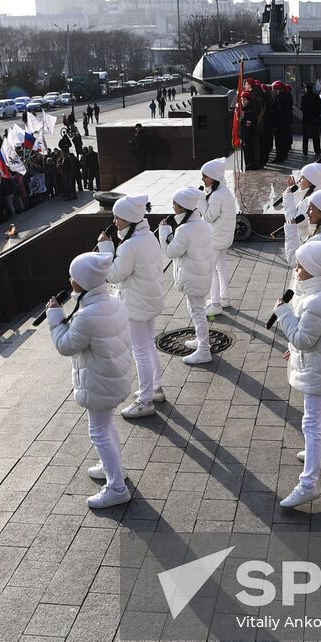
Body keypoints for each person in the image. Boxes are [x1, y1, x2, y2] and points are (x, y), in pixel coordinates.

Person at [45, 252, 134, 509]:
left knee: (98, 431)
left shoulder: (87, 315)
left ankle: (117, 487)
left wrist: (54, 316)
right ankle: (115, 468)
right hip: (113, 377)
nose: (69, 280)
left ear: (82, 282)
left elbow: (65, 345)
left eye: (73, 276)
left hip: (100, 382)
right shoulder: (112, 301)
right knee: (106, 427)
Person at [274, 240, 321, 509]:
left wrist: (282, 313)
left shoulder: (317, 301)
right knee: (320, 412)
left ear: (314, 269)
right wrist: (293, 349)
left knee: (310, 423)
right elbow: (309, 336)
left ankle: (308, 484)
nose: (296, 269)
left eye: (301, 266)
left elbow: (304, 338)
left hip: (318, 368)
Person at [95, 194, 167, 419]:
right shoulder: (147, 237)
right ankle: (155, 388)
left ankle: (145, 401)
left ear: (129, 218)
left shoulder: (130, 246)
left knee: (141, 351)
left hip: (136, 304)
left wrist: (106, 247)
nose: (115, 221)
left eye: (118, 218)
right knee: (148, 345)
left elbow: (114, 275)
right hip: (149, 299)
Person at [159, 186, 214, 365]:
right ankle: (201, 339)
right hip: (201, 274)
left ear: (183, 207)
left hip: (193, 277)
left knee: (197, 311)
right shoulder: (203, 224)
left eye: (175, 204)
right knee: (196, 309)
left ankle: (204, 350)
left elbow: (171, 252)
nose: (173, 207)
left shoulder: (184, 230)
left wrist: (164, 232)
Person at [199, 158, 237, 315]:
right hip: (223, 237)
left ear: (213, 177)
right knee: (221, 267)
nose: (202, 179)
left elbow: (208, 217)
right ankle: (224, 298)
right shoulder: (224, 192)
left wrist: (200, 200)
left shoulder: (216, 195)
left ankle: (215, 304)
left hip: (215, 239)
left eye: (205, 176)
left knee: (212, 270)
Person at [281, 161, 321, 277]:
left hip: (304, 240)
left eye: (302, 178)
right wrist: (294, 190)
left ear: (311, 181)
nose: (299, 180)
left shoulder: (311, 201)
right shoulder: (313, 193)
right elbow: (299, 205)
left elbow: (293, 220)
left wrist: (287, 195)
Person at [268, 80, 294, 164]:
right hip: (285, 123)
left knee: (279, 141)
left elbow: (277, 112)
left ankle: (280, 157)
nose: (274, 92)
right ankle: (283, 155)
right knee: (283, 140)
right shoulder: (286, 96)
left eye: (275, 90)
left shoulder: (280, 99)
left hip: (280, 124)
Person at [300, 82, 321, 159]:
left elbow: (302, 108)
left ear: (306, 88)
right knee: (316, 136)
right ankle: (317, 151)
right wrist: (316, 116)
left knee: (305, 137)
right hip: (315, 119)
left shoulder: (304, 97)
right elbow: (319, 108)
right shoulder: (316, 97)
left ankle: (305, 151)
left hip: (306, 119)